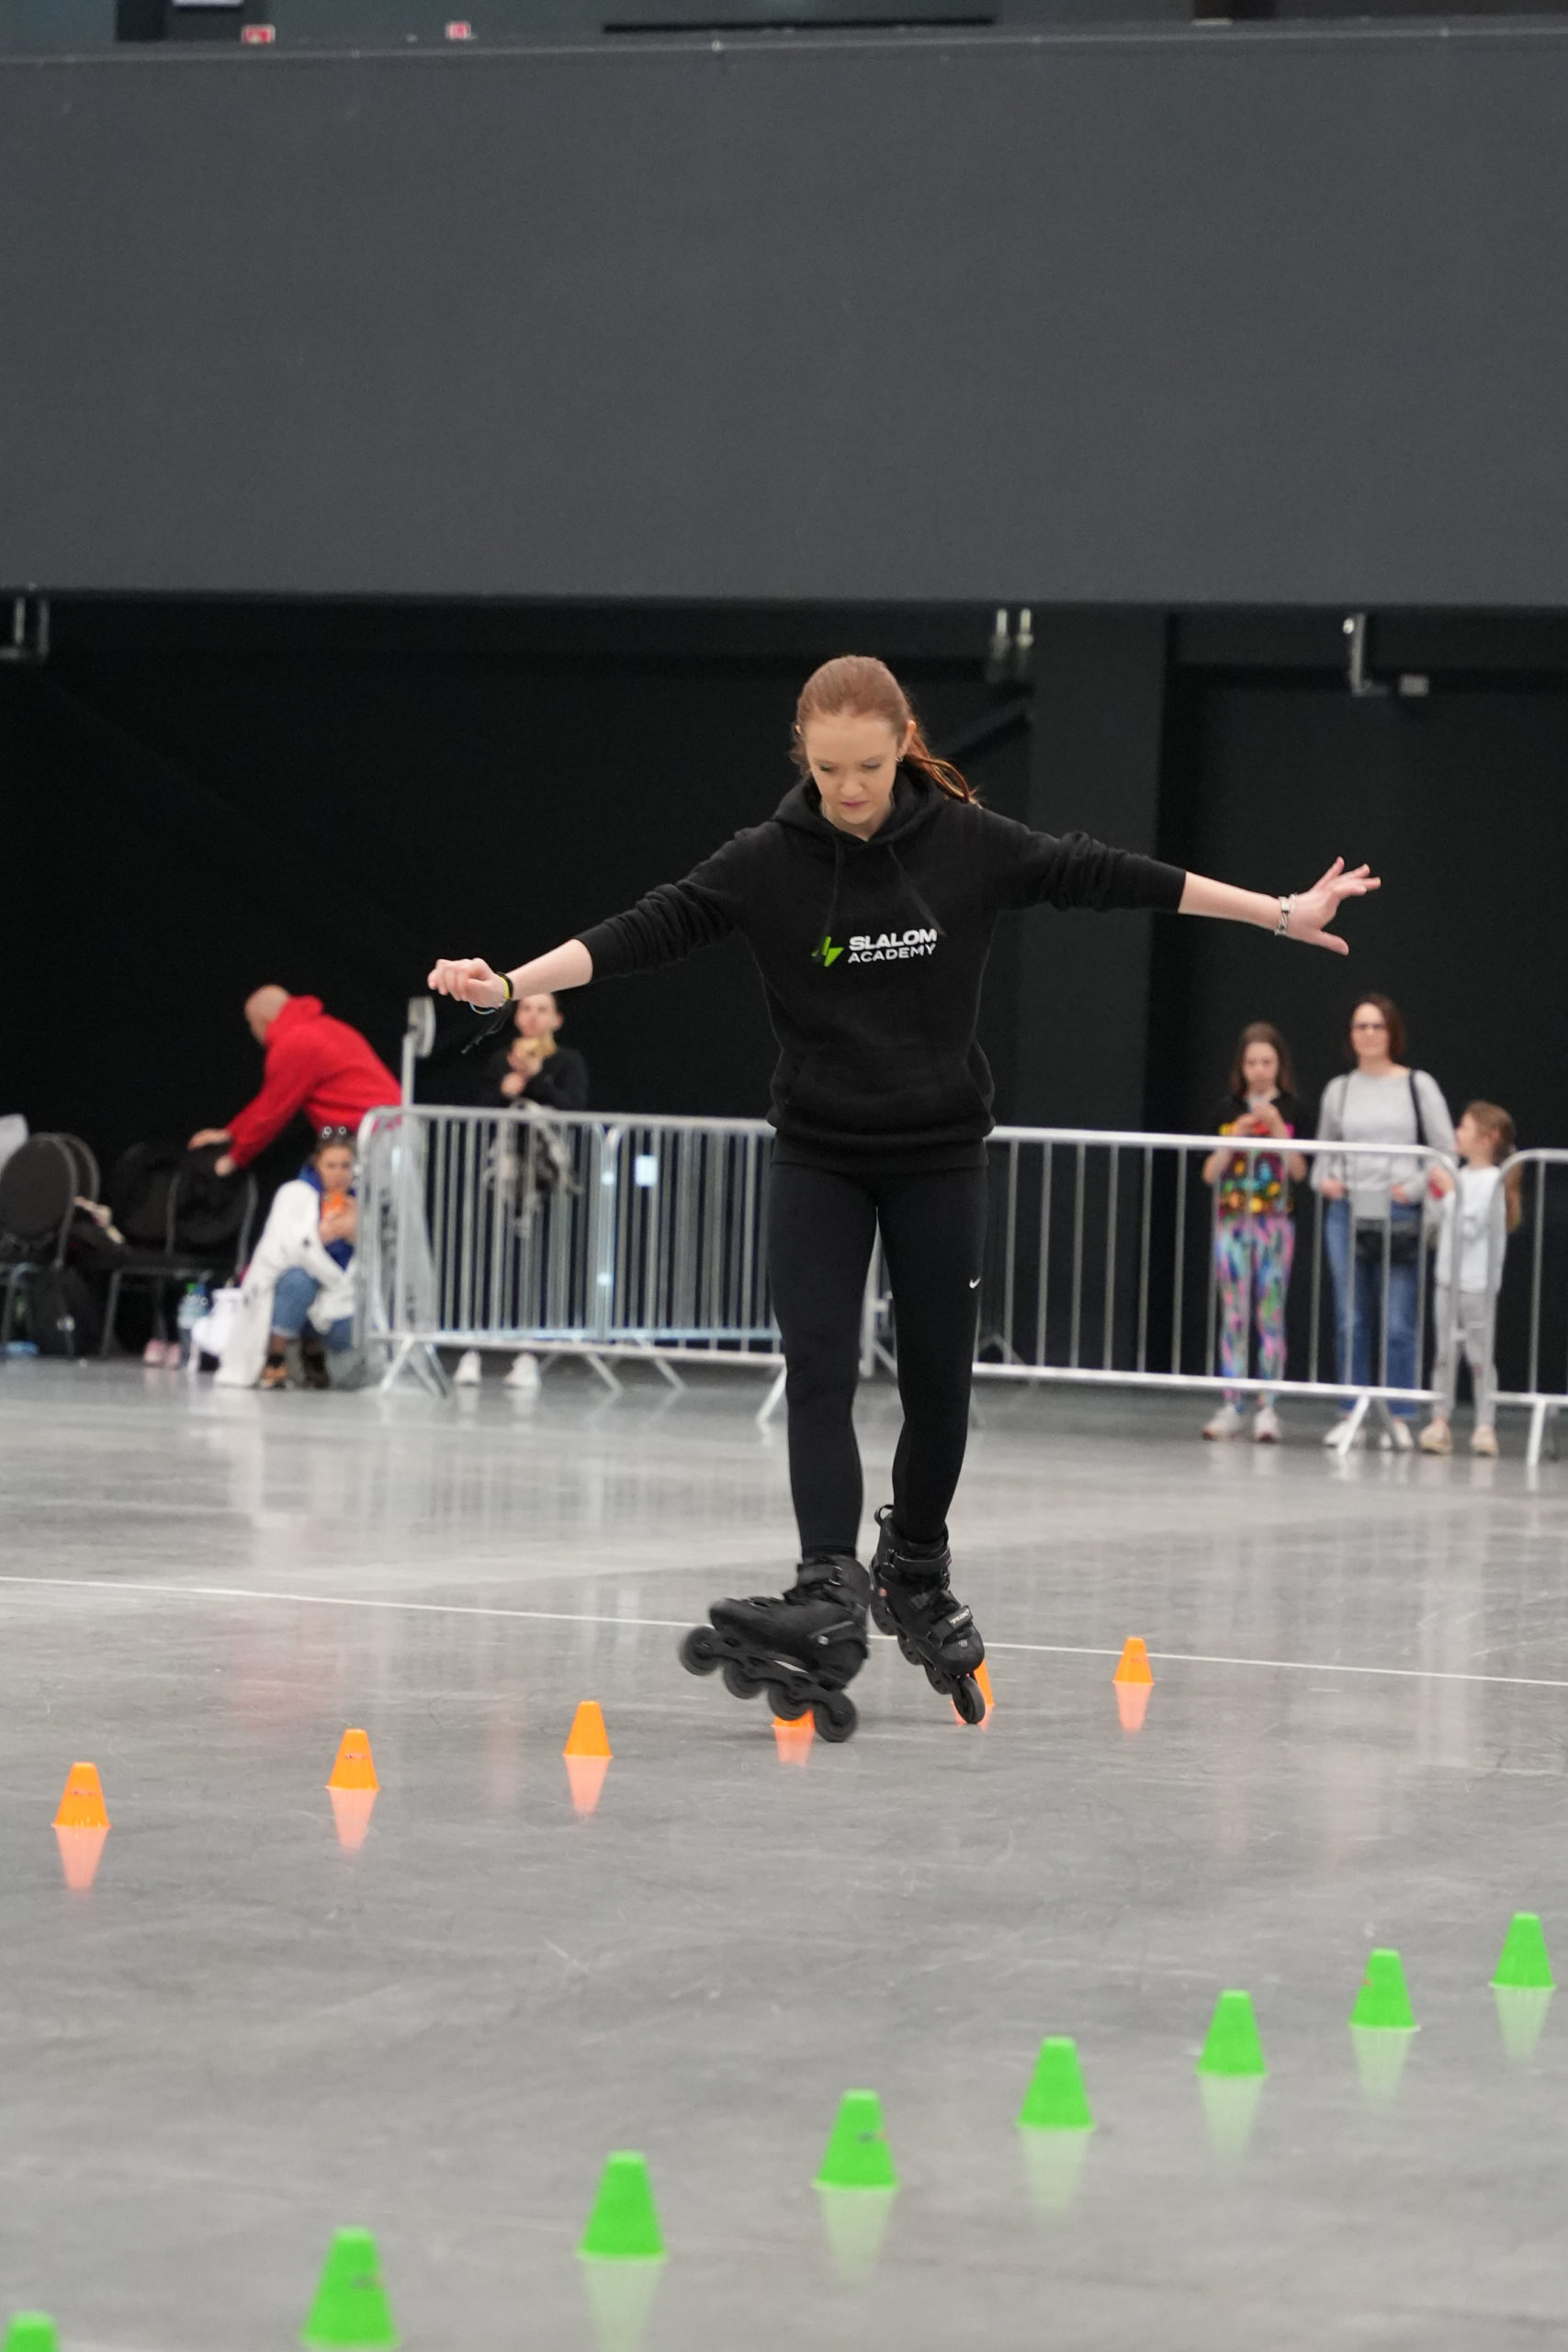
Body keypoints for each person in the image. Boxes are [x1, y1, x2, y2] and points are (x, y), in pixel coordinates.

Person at [428, 653, 1380, 1740]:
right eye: (828, 769)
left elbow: (1104, 872)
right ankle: (827, 1579)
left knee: (939, 1389)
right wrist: (511, 985)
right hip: (819, 1155)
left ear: (903, 747)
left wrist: (1278, 912)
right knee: (818, 1365)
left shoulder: (965, 844)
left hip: (938, 1156)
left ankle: (913, 1565)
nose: (848, 789)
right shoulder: (765, 861)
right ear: (804, 758)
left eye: (869, 768)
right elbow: (650, 927)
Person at [1314, 995, 1457, 1452]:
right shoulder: (1339, 1089)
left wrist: (1413, 1188)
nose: (1369, 1034)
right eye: (1361, 1026)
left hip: (1400, 1211)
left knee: (1398, 1321)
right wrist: (1326, 1181)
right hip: (1348, 1209)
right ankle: (1352, 1411)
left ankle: (1398, 1414)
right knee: (1349, 1318)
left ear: (1392, 1032)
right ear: (1351, 1035)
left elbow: (1444, 1150)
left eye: (1377, 1026)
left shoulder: (1418, 1085)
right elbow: (1322, 1152)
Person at [1200, 1022, 1307, 1444]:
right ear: (1241, 1067)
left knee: (1270, 1312)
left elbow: (1299, 1171)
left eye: (1267, 1062)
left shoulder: (1293, 1109)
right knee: (1234, 1313)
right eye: (1252, 1063)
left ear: (1279, 1066)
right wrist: (1234, 1139)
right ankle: (1232, 1402)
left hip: (1275, 1224)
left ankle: (1268, 1407)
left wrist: (1278, 1130)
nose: (1259, 1070)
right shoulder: (1227, 1110)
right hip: (1232, 1222)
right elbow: (1209, 1173)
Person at [189, 988, 399, 1174]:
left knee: (385, 1207)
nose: (253, 1032)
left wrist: (235, 1158)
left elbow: (273, 1112)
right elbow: (270, 1099)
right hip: (390, 1126)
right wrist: (230, 1133)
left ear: (263, 1019)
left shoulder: (293, 1043)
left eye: (251, 1024)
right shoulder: (323, 1027)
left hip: (378, 1136)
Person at [215, 1128, 364, 1390]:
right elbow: (277, 1249)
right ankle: (276, 1356)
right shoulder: (293, 1194)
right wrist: (318, 1237)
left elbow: (381, 1258)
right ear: (317, 1165)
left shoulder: (362, 1199)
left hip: (339, 1292)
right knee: (298, 1280)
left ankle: (315, 1350)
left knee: (349, 1326)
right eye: (331, 1166)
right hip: (289, 1291)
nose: (339, 1174)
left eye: (345, 1166)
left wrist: (359, 1237)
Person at [1419, 1102, 1520, 1457]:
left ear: (1487, 1138)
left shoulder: (1492, 1180)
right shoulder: (1459, 1174)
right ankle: (1440, 1420)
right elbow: (1442, 1224)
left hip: (1476, 1283)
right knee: (1445, 1354)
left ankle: (1484, 1425)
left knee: (1479, 1356)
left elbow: (1471, 1226)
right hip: (1447, 1279)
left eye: (1463, 1127)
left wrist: (1449, 1192)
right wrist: (1437, 1197)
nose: (1456, 1134)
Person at [489, 992, 589, 1113]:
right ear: (516, 1016)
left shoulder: (569, 1061)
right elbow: (482, 1105)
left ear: (558, 1020)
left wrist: (535, 1078)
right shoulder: (500, 1059)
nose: (533, 1016)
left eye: (542, 1010)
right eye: (526, 1008)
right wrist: (503, 1091)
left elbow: (574, 1108)